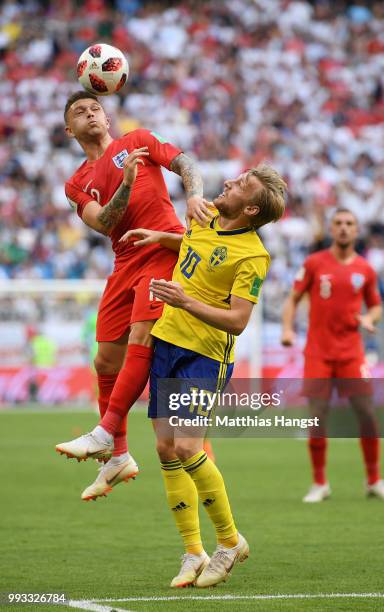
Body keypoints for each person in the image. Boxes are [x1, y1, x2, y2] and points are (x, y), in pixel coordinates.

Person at [121, 165, 285, 588]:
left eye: (241, 184)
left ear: (250, 208)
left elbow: (238, 321)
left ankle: (229, 543)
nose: (230, 181)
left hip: (204, 357)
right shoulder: (206, 217)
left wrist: (185, 300)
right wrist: (164, 239)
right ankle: (193, 551)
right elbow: (198, 246)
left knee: (189, 446)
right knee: (165, 447)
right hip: (168, 342)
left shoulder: (253, 255)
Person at [56, 91, 211, 498]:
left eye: (95, 108)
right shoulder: (76, 183)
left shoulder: (138, 139)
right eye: (79, 112)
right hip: (125, 262)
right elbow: (104, 220)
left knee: (142, 336)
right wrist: (124, 185)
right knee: (104, 358)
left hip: (163, 250)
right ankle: (119, 456)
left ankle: (105, 431)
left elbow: (185, 163)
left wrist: (193, 193)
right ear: (68, 129)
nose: (90, 114)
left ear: (107, 118)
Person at [281, 208, 384, 503]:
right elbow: (293, 298)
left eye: (349, 223)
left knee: (367, 413)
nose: (344, 228)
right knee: (318, 416)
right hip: (319, 352)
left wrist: (370, 319)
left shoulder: (366, 269)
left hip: (351, 353)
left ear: (357, 230)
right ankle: (319, 483)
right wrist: (287, 329)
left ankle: (374, 479)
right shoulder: (313, 263)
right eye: (339, 224)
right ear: (331, 230)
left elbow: (374, 305)